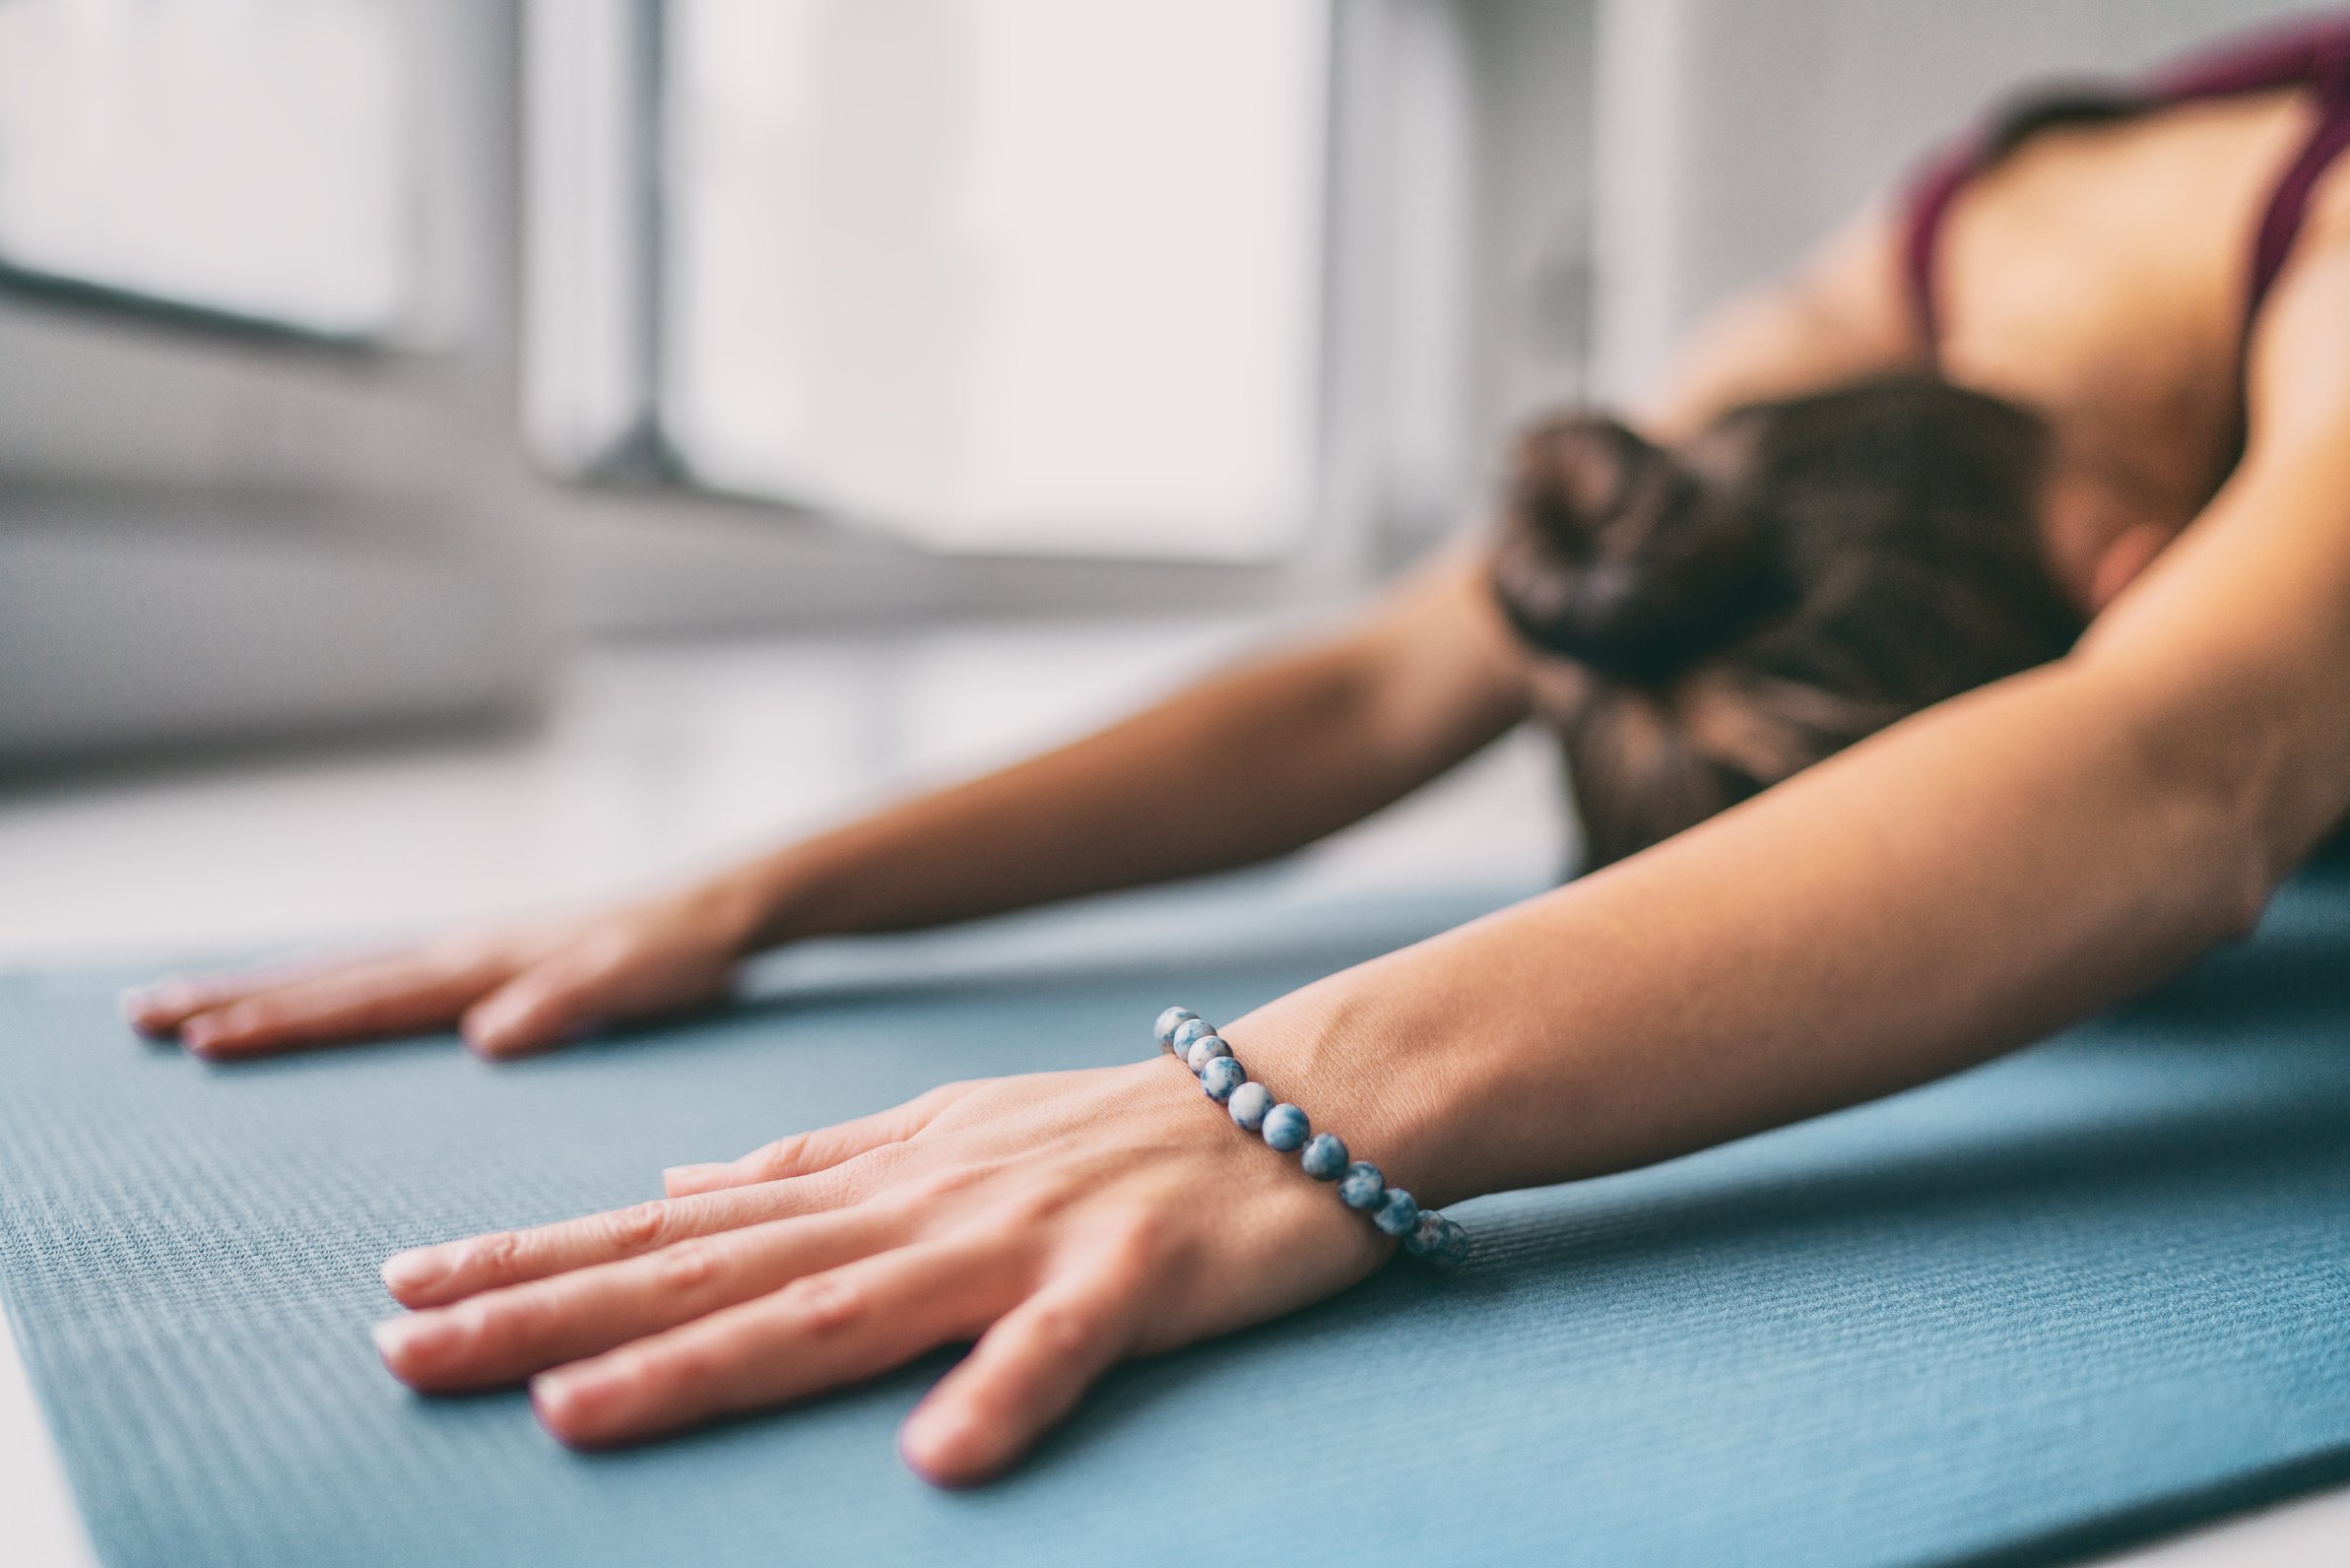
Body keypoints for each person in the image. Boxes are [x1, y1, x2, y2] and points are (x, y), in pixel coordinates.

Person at [122, 17, 2350, 1486]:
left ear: (2135, 578)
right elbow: (1388, 680)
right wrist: (751, 892)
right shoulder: (1865, 315)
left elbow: (2173, 771)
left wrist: (1291, 1113)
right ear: (2143, 555)